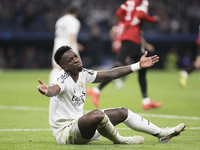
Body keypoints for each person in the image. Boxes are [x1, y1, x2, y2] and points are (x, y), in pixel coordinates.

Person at [37, 45, 185, 145]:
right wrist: (47, 91)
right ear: (64, 67)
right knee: (97, 114)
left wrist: (138, 65)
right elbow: (54, 89)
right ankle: (122, 140)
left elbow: (111, 73)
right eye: (70, 60)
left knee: (122, 112)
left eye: (75, 56)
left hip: (82, 127)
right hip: (66, 134)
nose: (76, 60)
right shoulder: (61, 79)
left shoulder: (82, 73)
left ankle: (162, 134)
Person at [88, 0, 162, 109]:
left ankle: (146, 101)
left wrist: (128, 22)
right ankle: (96, 90)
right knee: (120, 65)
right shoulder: (142, 1)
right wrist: (154, 20)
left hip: (131, 38)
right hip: (132, 38)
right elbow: (140, 14)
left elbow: (118, 13)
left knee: (142, 67)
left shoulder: (130, 1)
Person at [49, 5, 83, 85]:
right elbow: (72, 35)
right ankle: (77, 86)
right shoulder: (74, 21)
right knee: (77, 66)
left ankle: (51, 85)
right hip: (67, 45)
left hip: (58, 45)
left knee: (56, 67)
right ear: (76, 13)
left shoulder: (60, 20)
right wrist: (70, 49)